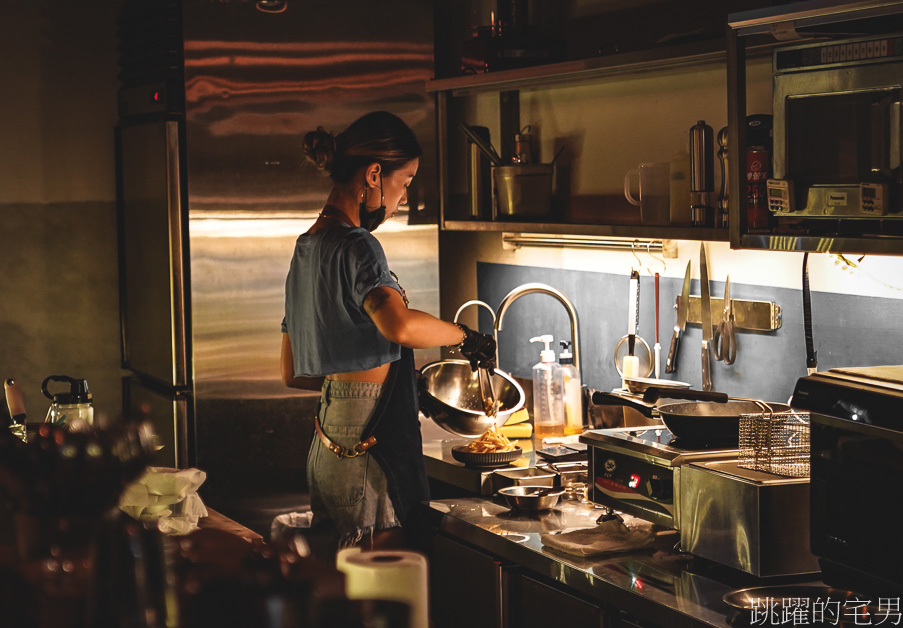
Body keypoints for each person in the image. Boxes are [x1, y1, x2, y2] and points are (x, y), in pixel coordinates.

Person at [281, 111, 496, 553]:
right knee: (386, 601)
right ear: (374, 174)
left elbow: (291, 371)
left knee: (348, 600)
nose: (403, 198)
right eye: (406, 182)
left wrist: (368, 382)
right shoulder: (358, 245)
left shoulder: (307, 248)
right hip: (367, 450)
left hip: (327, 446)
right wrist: (464, 337)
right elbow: (398, 323)